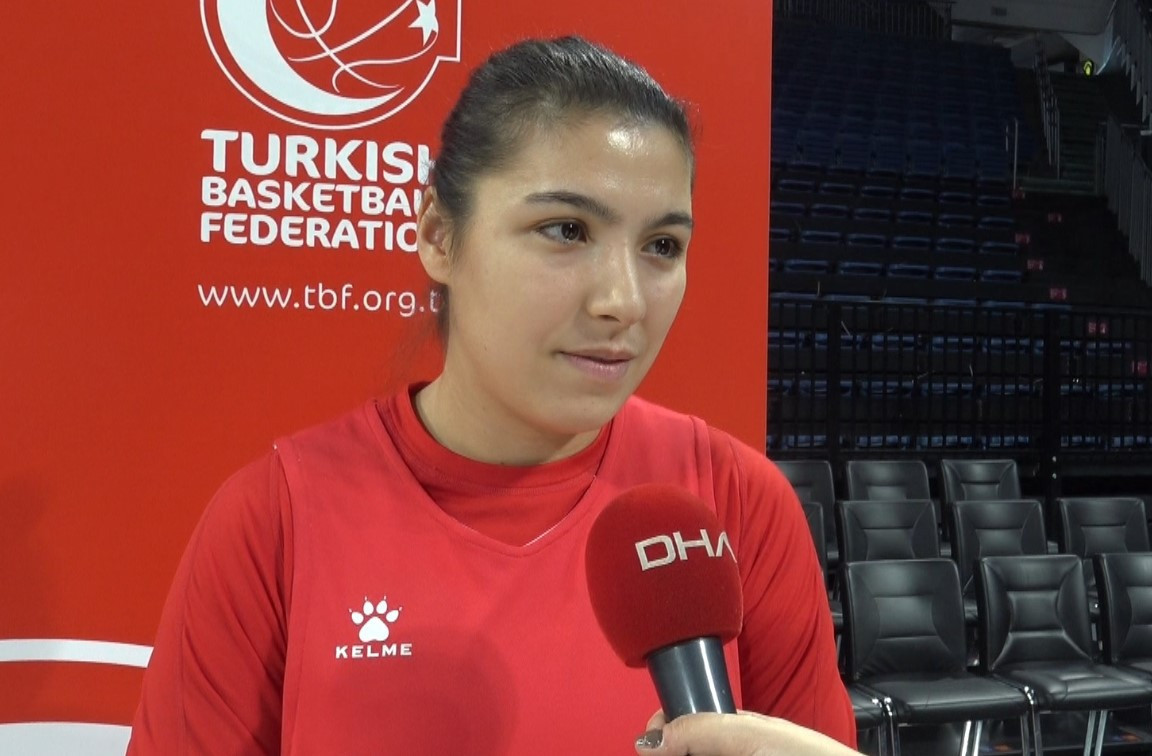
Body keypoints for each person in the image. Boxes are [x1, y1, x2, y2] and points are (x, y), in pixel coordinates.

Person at [127, 37, 857, 754]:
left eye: (662, 246)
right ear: (439, 236)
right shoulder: (273, 521)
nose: (624, 301)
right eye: (566, 230)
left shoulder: (740, 502)